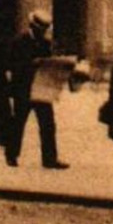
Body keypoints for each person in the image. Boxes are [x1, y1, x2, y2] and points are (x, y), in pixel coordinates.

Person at [5, 10, 67, 170]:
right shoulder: (19, 41)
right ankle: (11, 155)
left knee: (48, 124)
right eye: (42, 28)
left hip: (41, 87)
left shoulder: (45, 43)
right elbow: (12, 64)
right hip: (23, 89)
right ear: (33, 26)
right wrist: (32, 63)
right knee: (18, 123)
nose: (44, 31)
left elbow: (48, 62)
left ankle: (50, 159)